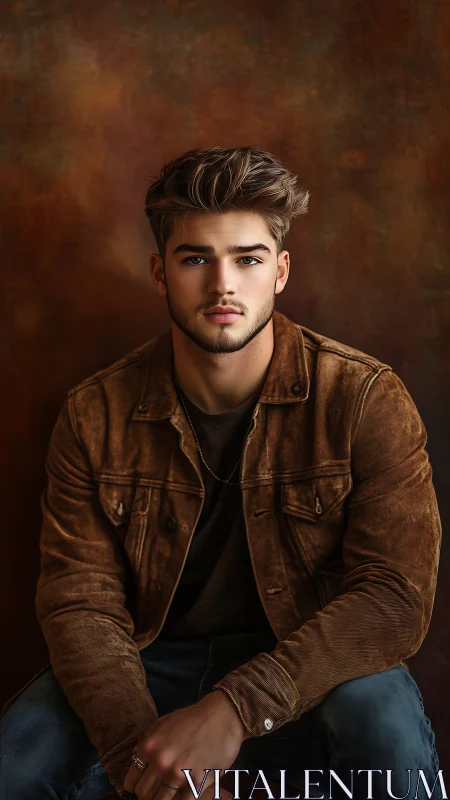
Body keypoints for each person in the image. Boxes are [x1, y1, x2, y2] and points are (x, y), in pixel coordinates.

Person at [0, 147, 443, 800]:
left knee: (385, 726)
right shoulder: (94, 414)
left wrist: (237, 707)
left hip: (312, 657)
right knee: (17, 758)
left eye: (247, 258)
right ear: (160, 272)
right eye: (195, 259)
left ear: (281, 270)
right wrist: (142, 759)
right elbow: (79, 603)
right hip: (146, 659)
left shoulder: (365, 398)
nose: (222, 285)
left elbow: (394, 598)